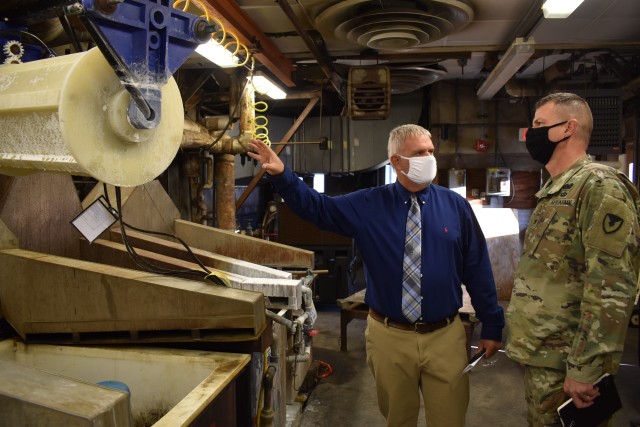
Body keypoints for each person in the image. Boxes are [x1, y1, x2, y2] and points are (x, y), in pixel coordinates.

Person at [248, 124, 504, 427]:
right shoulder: (368, 204)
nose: (429, 158)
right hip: (389, 337)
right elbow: (318, 208)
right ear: (396, 161)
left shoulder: (455, 206)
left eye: (431, 151)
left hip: (445, 336)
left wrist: (492, 323)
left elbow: (477, 267)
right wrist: (282, 176)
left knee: (450, 418)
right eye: (419, 153)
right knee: (398, 418)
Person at [505, 92, 640, 426]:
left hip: (570, 365)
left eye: (539, 124)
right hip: (547, 357)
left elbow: (612, 286)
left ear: (569, 128)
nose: (530, 133)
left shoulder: (599, 186)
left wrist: (586, 368)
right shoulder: (557, 189)